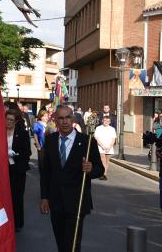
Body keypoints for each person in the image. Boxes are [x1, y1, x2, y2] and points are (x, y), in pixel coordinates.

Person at [39, 105, 104, 252]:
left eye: (68, 117)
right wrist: (44, 197)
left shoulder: (87, 142)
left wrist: (91, 169)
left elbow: (100, 169)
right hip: (55, 201)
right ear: (55, 120)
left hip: (77, 201)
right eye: (60, 118)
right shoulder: (50, 141)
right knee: (61, 242)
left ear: (73, 119)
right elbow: (46, 172)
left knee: (72, 243)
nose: (65, 121)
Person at [6, 109, 31, 232]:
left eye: (11, 120)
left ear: (16, 122)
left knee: (16, 196)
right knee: (4, 196)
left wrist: (14, 154)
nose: (8, 122)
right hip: (3, 169)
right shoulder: (0, 131)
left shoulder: (22, 134)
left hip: (17, 169)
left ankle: (17, 223)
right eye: (7, 119)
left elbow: (27, 153)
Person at [94, 114, 116, 180]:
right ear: (102, 121)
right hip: (101, 146)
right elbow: (96, 138)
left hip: (109, 147)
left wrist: (109, 147)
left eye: (108, 121)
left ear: (110, 122)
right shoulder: (98, 128)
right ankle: (103, 173)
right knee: (102, 160)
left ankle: (105, 173)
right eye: (105, 120)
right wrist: (102, 146)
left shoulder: (112, 129)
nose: (106, 122)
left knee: (107, 161)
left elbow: (113, 139)